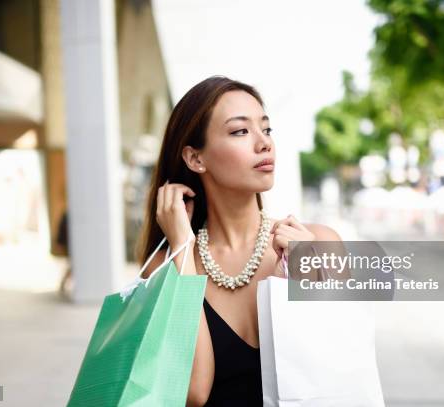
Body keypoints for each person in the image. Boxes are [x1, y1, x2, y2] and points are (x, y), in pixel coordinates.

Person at [135, 76, 341, 406]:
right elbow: (193, 391)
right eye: (240, 131)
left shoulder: (319, 242)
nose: (264, 144)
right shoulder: (164, 267)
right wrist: (182, 249)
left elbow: (341, 364)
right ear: (195, 159)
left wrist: (310, 278)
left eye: (266, 129)